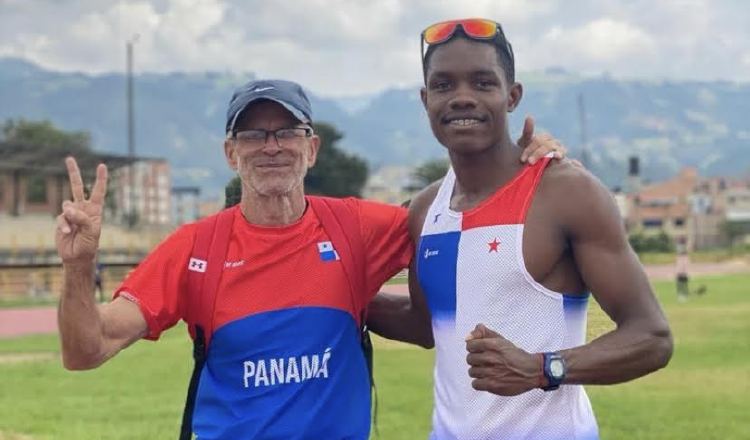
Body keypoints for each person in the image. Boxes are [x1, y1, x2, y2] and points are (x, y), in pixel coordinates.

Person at [55, 78, 563, 439]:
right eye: (253, 134)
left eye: (287, 132)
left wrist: (519, 164)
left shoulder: (356, 227)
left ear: (311, 148)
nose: (270, 147)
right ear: (231, 153)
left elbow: (454, 213)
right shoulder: (196, 248)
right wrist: (79, 267)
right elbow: (87, 350)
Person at [367, 18, 673, 440]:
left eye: (481, 83)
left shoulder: (566, 192)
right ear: (425, 100)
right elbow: (425, 326)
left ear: (512, 97)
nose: (461, 98)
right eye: (443, 86)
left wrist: (542, 368)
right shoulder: (424, 210)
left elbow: (651, 337)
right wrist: (342, 297)